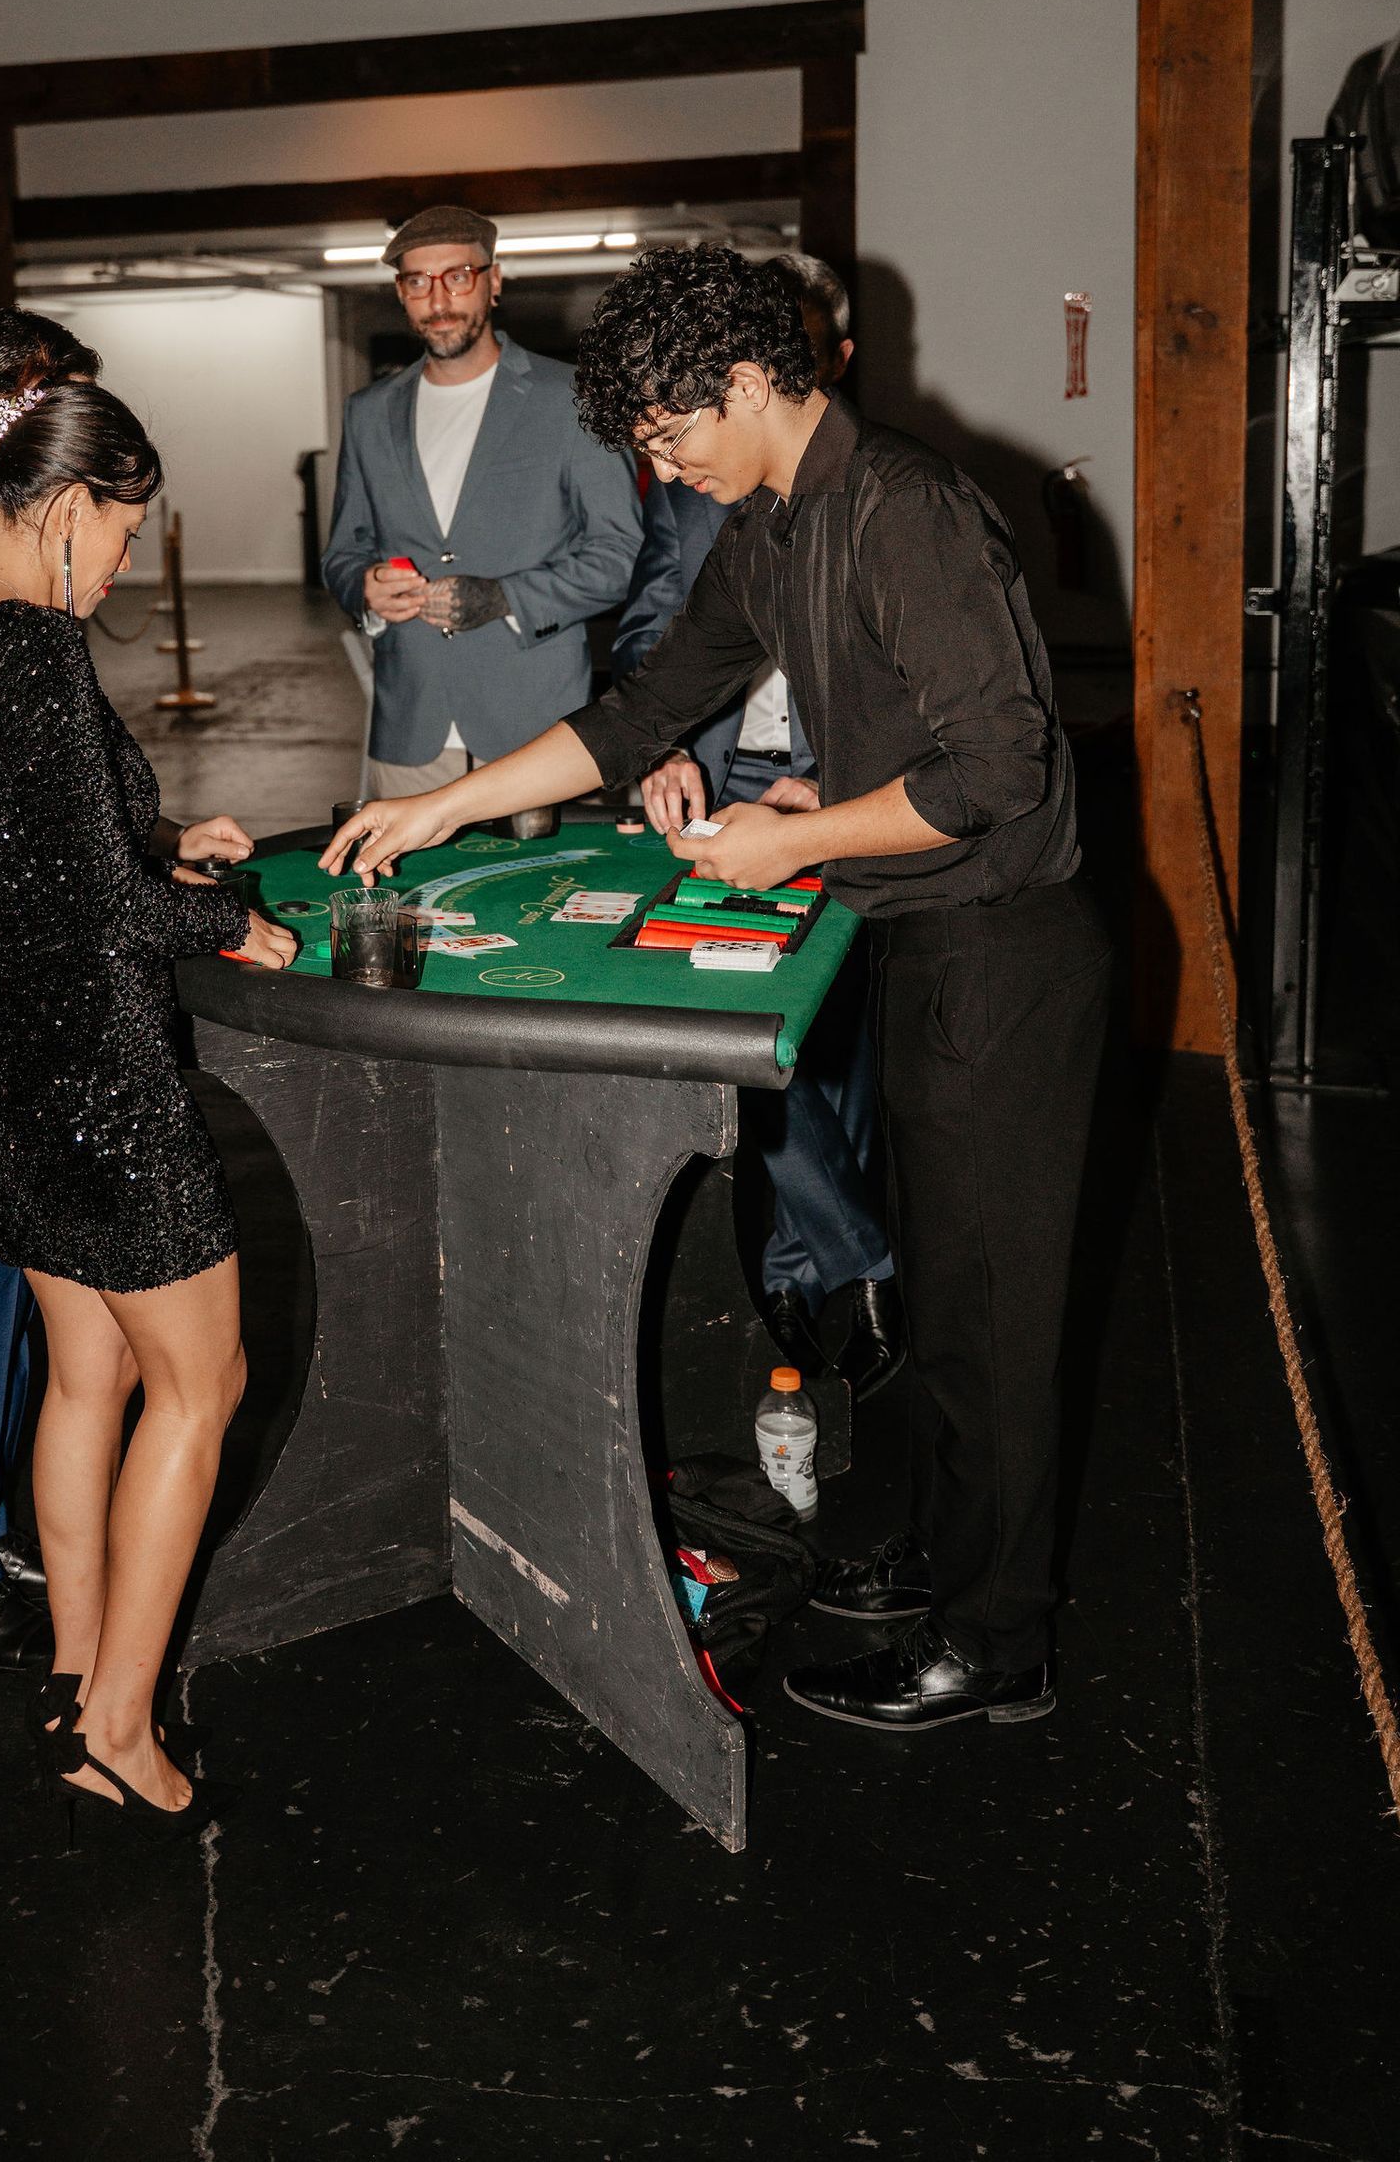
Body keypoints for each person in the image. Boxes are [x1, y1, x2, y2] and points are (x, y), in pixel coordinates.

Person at [324, 244, 1110, 1735]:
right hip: (926, 935)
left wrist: (796, 832)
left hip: (1008, 951)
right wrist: (449, 806)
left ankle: (998, 1642)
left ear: (751, 381)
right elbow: (640, 712)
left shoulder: (904, 507)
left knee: (990, 1317)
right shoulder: (774, 522)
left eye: (677, 435)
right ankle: (954, 1555)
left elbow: (1005, 769)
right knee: (945, 1290)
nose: (668, 470)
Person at [0, 373, 296, 1834]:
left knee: (86, 1371)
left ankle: (73, 1669)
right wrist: (232, 913)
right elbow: (99, 904)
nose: (121, 566)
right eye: (119, 534)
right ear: (62, 507)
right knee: (203, 1378)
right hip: (91, 1077)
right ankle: (119, 1723)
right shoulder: (32, 647)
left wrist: (145, 869)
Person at [610, 252, 902, 1400]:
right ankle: (833, 1263)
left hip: (858, 797)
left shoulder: (887, 496)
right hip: (737, 789)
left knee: (846, 1053)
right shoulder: (696, 488)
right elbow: (647, 642)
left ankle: (827, 1258)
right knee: (753, 1040)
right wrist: (667, 743)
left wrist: (832, 807)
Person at [320, 204, 643, 796]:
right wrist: (363, 586)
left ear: (493, 282)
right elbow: (343, 550)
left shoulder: (570, 397)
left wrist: (504, 597)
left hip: (538, 728)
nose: (438, 301)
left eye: (457, 277)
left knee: (544, 890)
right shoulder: (367, 413)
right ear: (401, 293)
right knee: (414, 892)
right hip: (409, 728)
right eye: (418, 281)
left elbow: (621, 554)